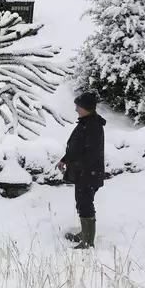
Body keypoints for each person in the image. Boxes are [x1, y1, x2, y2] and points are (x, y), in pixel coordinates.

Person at [56, 91, 106, 249]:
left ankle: (88, 241)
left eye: (78, 106)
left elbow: (93, 154)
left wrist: (75, 166)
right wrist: (65, 159)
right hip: (84, 173)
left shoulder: (93, 126)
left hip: (89, 174)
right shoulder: (85, 122)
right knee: (81, 202)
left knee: (85, 203)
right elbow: (77, 147)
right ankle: (85, 234)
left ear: (87, 108)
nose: (76, 109)